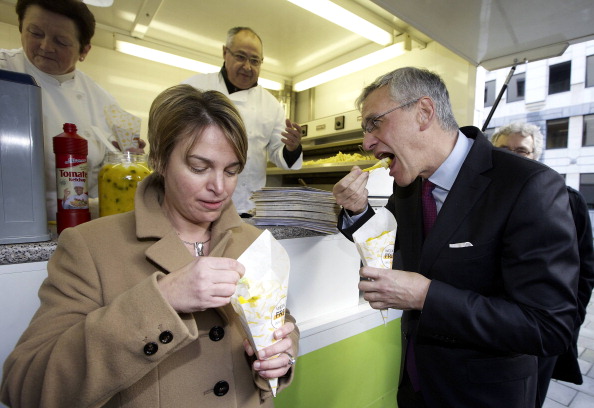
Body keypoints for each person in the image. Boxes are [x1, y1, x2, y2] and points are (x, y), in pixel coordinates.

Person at [0, 84, 299, 408]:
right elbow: (27, 388)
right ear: (158, 159)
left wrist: (282, 355)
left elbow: (280, 322)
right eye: (199, 167)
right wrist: (163, 299)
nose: (219, 187)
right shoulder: (89, 247)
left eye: (231, 170)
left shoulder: (253, 241)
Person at [333, 67, 579, 408]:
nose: (367, 143)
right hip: (416, 388)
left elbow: (548, 327)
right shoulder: (407, 187)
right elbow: (390, 255)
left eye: (375, 123)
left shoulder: (528, 186)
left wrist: (426, 296)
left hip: (482, 396)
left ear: (424, 112)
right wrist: (358, 211)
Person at [0, 0, 144, 221]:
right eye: (35, 32)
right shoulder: (5, 70)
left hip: (78, 225)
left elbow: (108, 181)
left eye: (61, 41)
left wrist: (126, 159)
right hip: (9, 222)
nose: (46, 46)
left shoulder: (102, 101)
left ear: (84, 50)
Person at [492, 122, 594, 407]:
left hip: (540, 332)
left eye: (521, 151)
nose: (512, 156)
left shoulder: (567, 199)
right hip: (495, 329)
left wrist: (570, 323)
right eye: (503, 149)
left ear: (535, 155)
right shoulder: (481, 199)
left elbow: (584, 271)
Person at [183, 26, 303, 216]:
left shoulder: (271, 105)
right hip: (195, 201)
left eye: (255, 61)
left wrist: (291, 148)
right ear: (225, 53)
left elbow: (278, 154)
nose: (248, 67)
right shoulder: (194, 87)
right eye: (240, 57)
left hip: (245, 207)